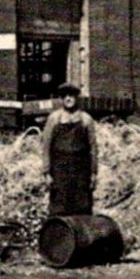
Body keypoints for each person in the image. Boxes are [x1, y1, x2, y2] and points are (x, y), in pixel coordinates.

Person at [41, 81, 98, 217]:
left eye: (71, 95)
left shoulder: (86, 120)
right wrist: (47, 172)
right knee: (59, 207)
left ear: (76, 98)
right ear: (61, 99)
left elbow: (93, 148)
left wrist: (94, 173)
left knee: (82, 206)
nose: (68, 99)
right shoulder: (54, 119)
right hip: (60, 169)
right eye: (65, 96)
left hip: (81, 170)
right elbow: (46, 146)